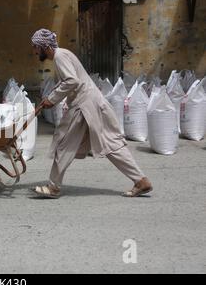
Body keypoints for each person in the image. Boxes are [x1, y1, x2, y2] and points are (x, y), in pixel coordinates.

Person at [31, 28, 153, 198]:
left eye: (36, 47)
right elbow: (69, 81)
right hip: (91, 103)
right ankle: (141, 181)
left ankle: (53, 187)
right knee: (110, 143)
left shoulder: (59, 57)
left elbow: (71, 81)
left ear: (45, 46)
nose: (35, 51)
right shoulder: (63, 55)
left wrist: (52, 99)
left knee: (64, 144)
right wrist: (50, 97)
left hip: (84, 106)